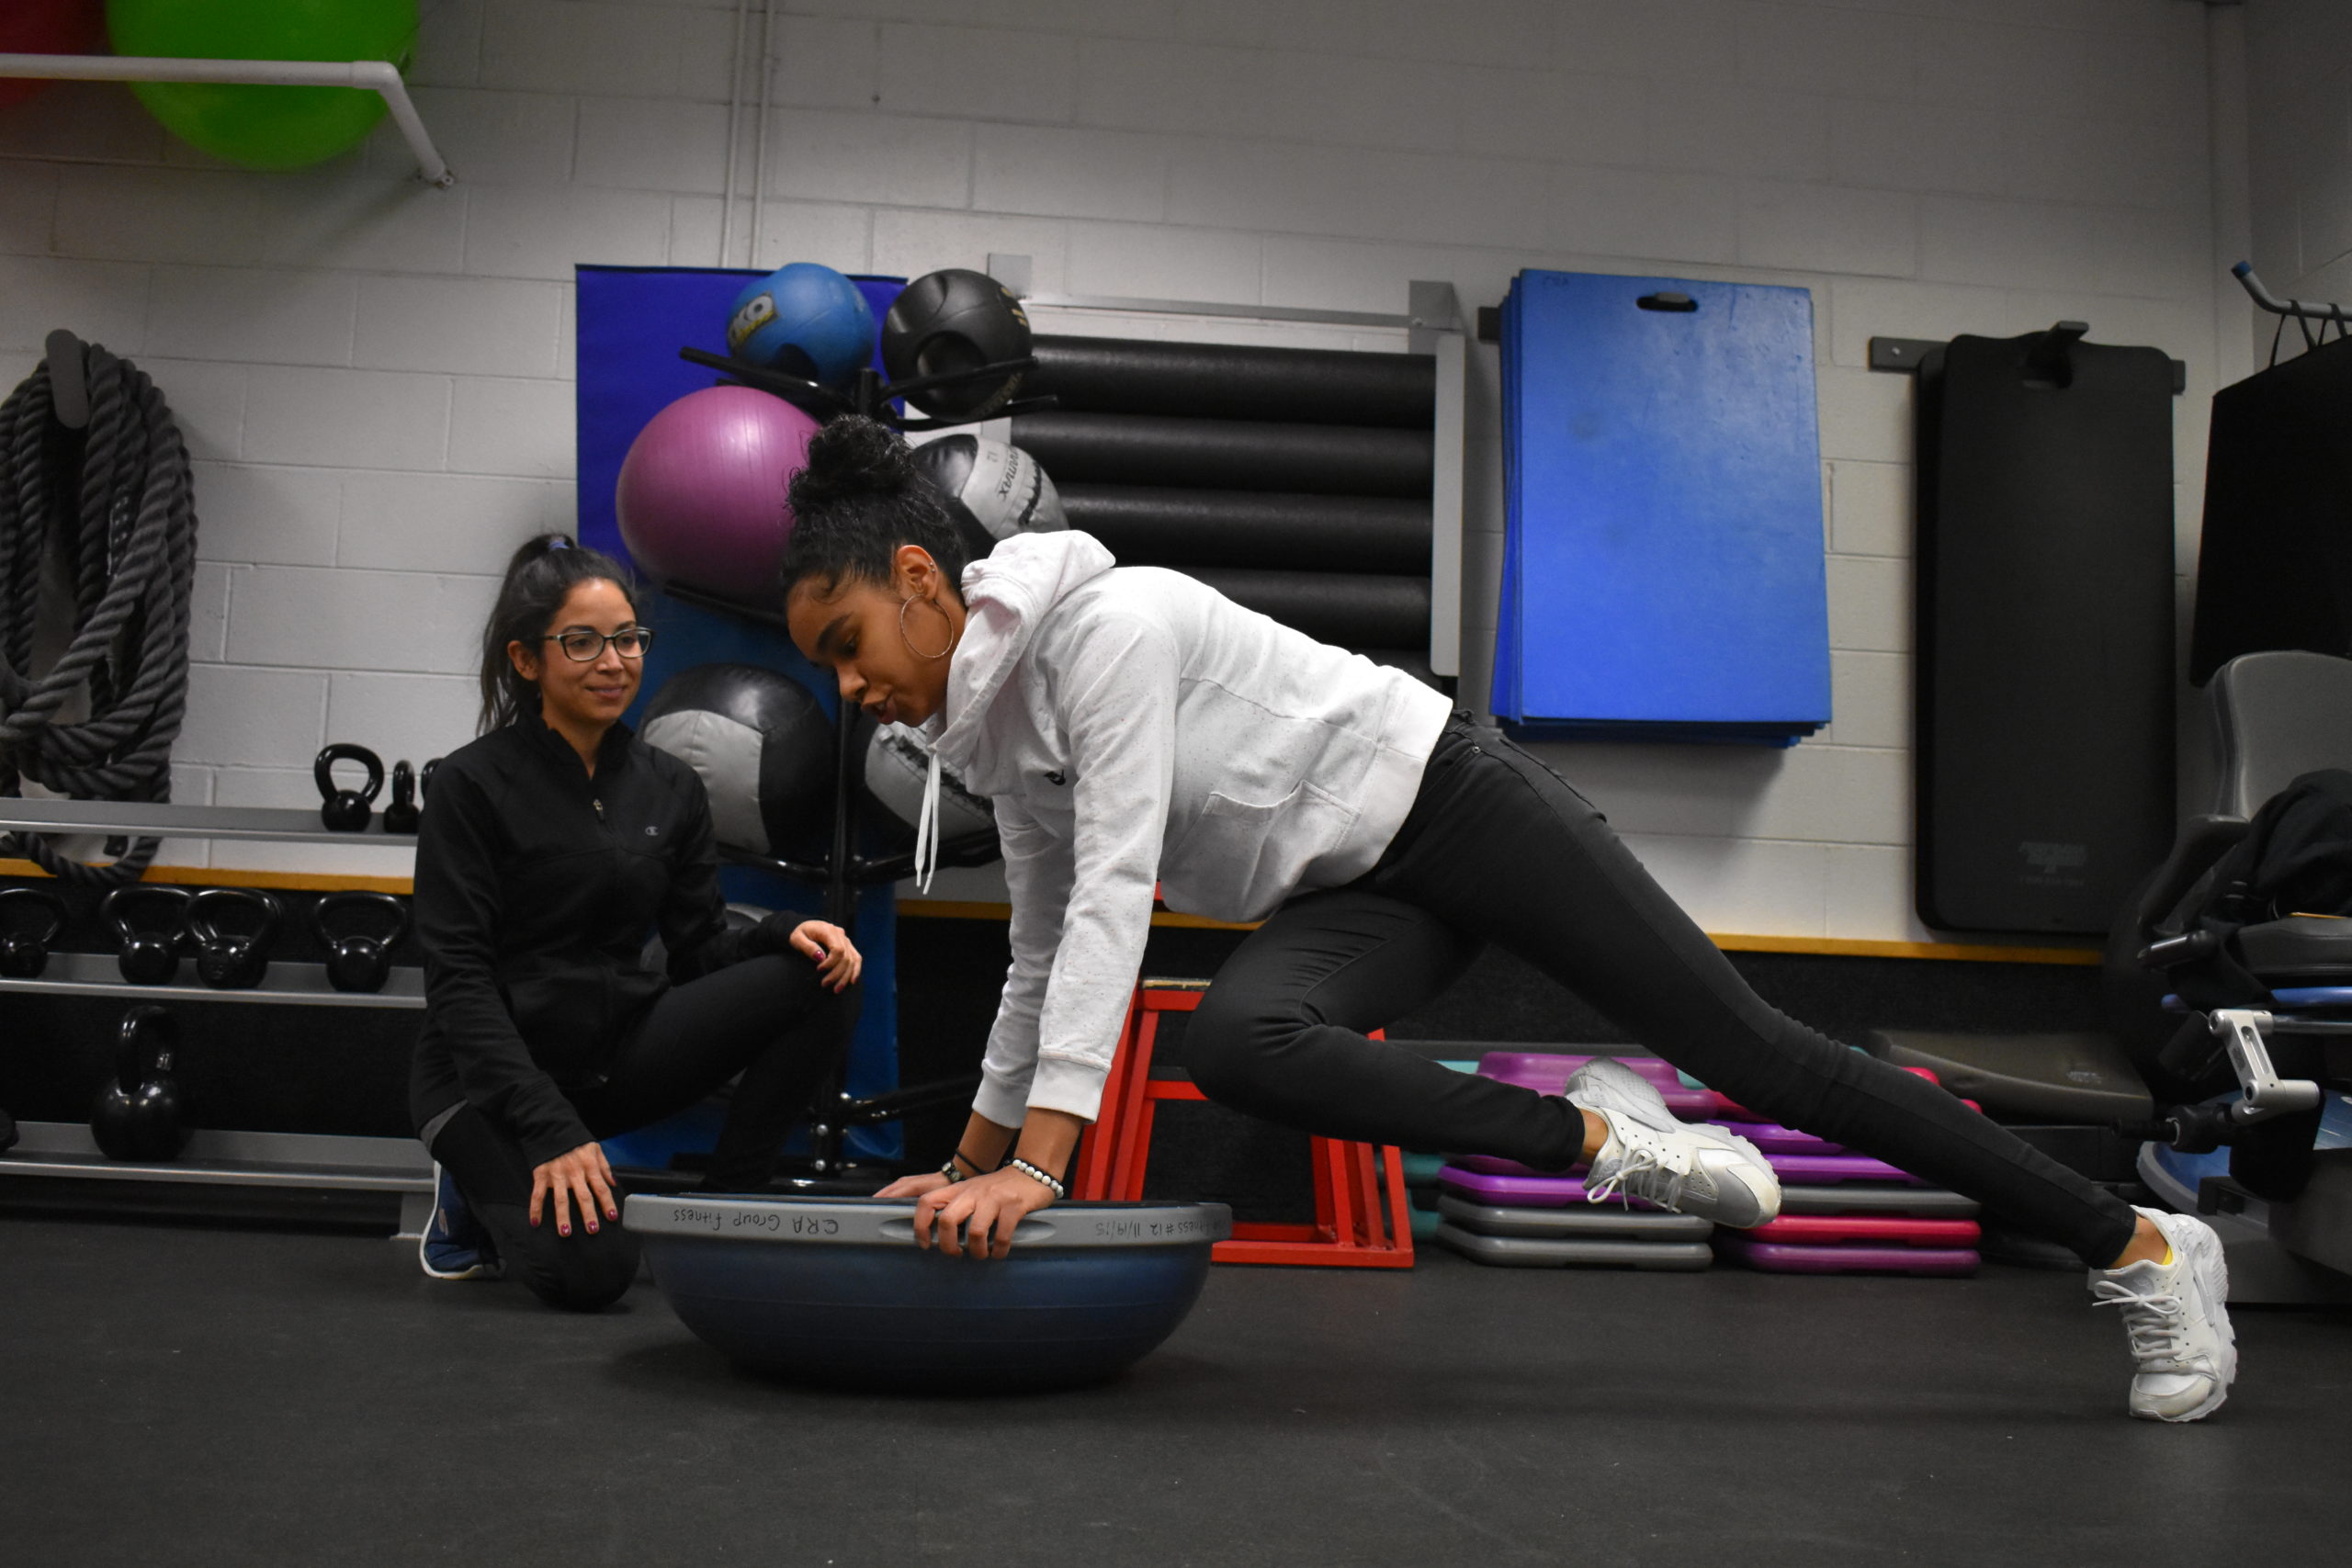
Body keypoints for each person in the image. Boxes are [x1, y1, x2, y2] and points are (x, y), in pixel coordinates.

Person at [782, 418, 2236, 1424]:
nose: (848, 685)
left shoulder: (1112, 629)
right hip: (1351, 890)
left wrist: (1041, 1165)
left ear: (924, 582)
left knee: (1766, 1054)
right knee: (1238, 1038)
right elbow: (1041, 937)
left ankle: (2144, 1249)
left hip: (1459, 799)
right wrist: (964, 1158)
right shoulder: (991, 724)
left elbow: (1112, 894)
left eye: (847, 645)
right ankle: (1611, 1142)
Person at [410, 534, 863, 1312]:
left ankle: (729, 1208)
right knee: (593, 1274)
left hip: (613, 1055)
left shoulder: (670, 786)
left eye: (627, 639)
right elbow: (459, 983)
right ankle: (471, 1188)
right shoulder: (468, 786)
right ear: (527, 661)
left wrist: (780, 931)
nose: (613, 661)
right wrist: (546, 1125)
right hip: (486, 1080)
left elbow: (698, 951)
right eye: (582, 642)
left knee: (825, 976)